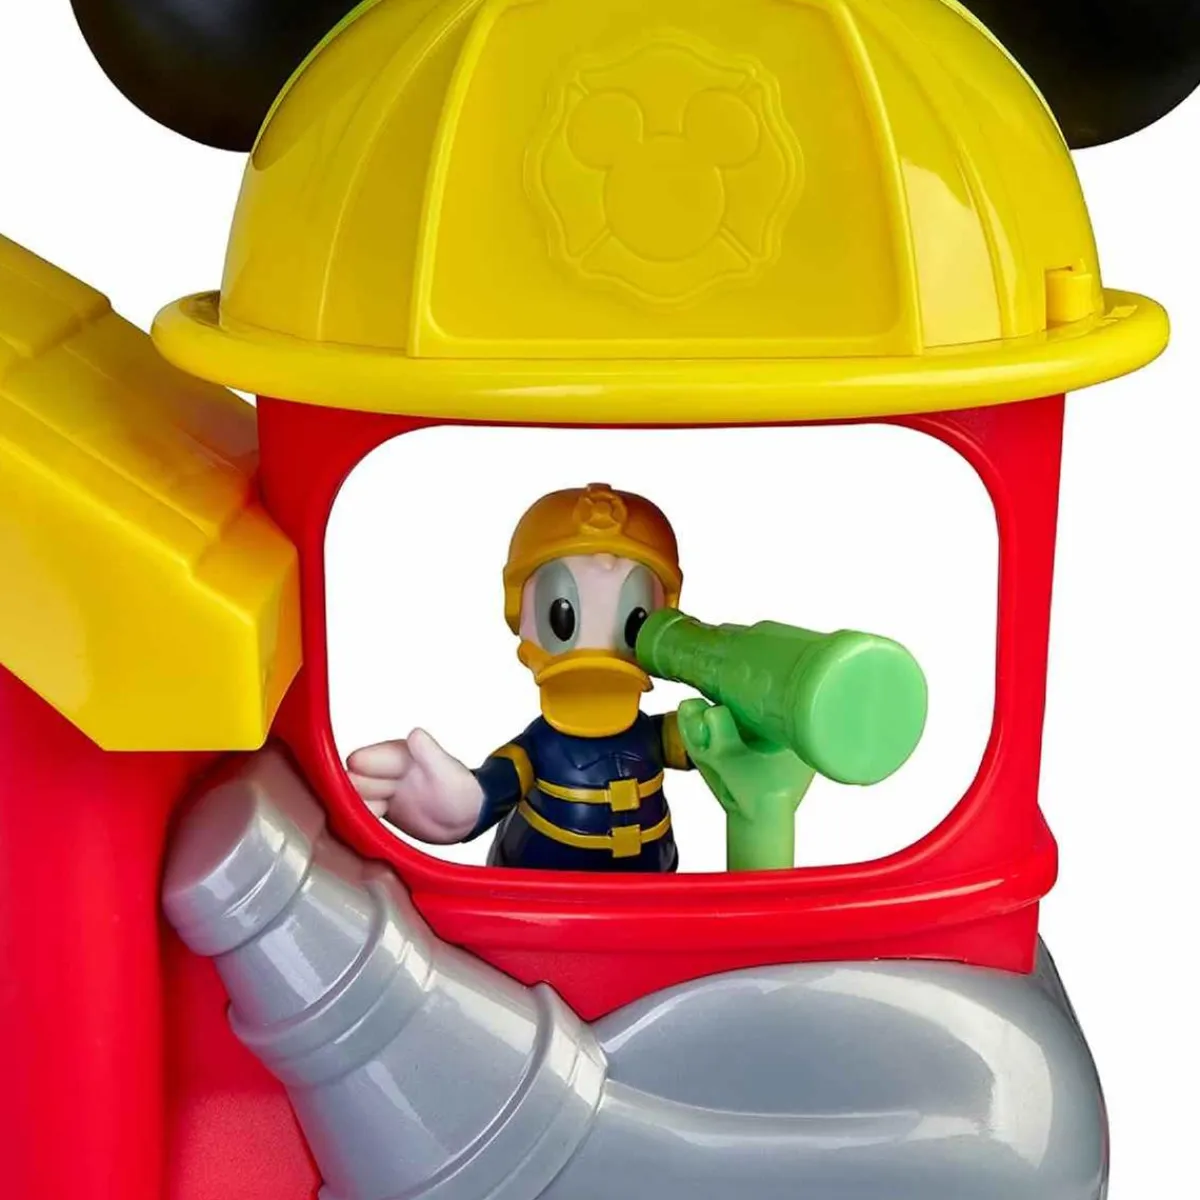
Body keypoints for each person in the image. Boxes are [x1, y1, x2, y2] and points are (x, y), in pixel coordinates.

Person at [347, 484, 692, 872]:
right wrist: (461, 807)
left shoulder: (651, 735)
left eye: (636, 619)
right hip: (539, 894)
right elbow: (495, 786)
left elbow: (710, 742)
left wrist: (734, 733)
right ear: (520, 614)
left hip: (651, 891)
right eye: (561, 616)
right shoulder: (539, 748)